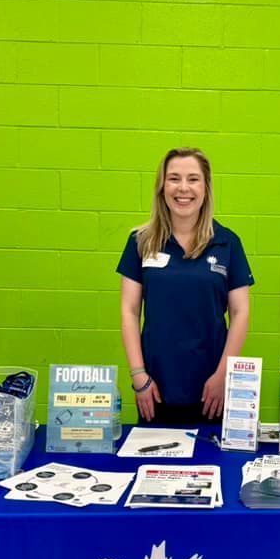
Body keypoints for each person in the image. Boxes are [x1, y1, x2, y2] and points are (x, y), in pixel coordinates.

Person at [117, 147, 254, 426]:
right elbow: (129, 310)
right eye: (174, 178)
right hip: (154, 390)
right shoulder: (140, 242)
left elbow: (241, 312)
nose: (183, 188)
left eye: (193, 179)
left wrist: (223, 374)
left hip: (211, 389)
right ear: (162, 186)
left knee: (214, 466)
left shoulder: (227, 243)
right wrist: (138, 376)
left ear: (206, 187)